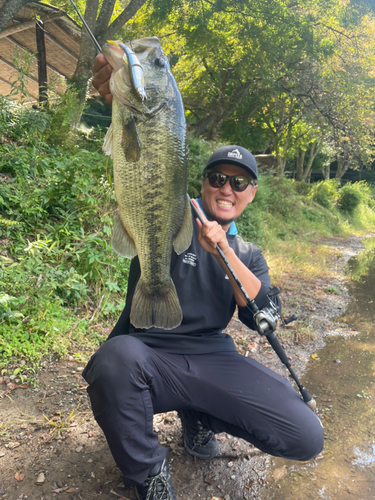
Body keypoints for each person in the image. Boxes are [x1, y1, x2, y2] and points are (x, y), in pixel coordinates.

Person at [82, 56, 324, 500]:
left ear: (251, 194)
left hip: (212, 356)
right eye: (217, 178)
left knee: (307, 437)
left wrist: (225, 251)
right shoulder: (173, 210)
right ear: (203, 181)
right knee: (114, 360)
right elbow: (142, 162)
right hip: (147, 356)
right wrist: (119, 101)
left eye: (239, 182)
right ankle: (149, 475)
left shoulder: (249, 255)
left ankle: (200, 414)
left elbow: (264, 315)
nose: (226, 189)